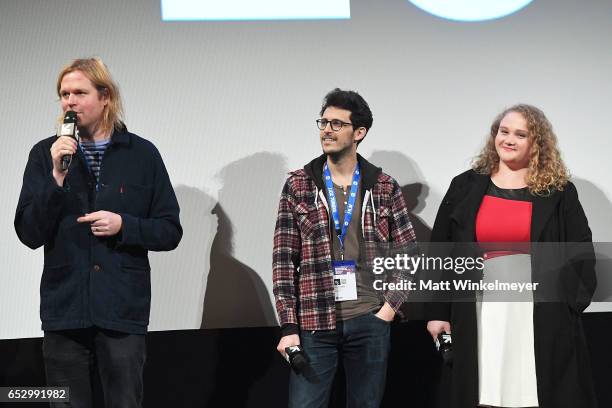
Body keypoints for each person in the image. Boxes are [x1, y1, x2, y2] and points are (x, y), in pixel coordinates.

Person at [14, 57, 182, 408]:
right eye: (63, 94)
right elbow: (29, 232)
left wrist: (125, 225)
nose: (69, 102)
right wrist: (56, 178)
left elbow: (169, 231)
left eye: (79, 92)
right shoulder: (44, 156)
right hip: (64, 310)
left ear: (105, 96)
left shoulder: (143, 154)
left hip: (121, 310)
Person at [426, 104, 597, 408]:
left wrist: (569, 306)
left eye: (520, 134)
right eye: (504, 132)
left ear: (537, 143)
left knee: (534, 391)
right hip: (479, 309)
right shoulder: (465, 186)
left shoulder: (559, 192)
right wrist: (438, 312)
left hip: (538, 314)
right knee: (484, 390)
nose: (509, 139)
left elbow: (581, 250)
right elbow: (441, 251)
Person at [272, 88, 417, 407]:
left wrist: (388, 310)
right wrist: (289, 325)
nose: (327, 129)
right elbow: (283, 261)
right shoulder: (299, 185)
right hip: (313, 323)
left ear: (359, 132)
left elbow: (408, 255)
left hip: (370, 319)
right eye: (323, 122)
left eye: (337, 123)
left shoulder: (383, 186)